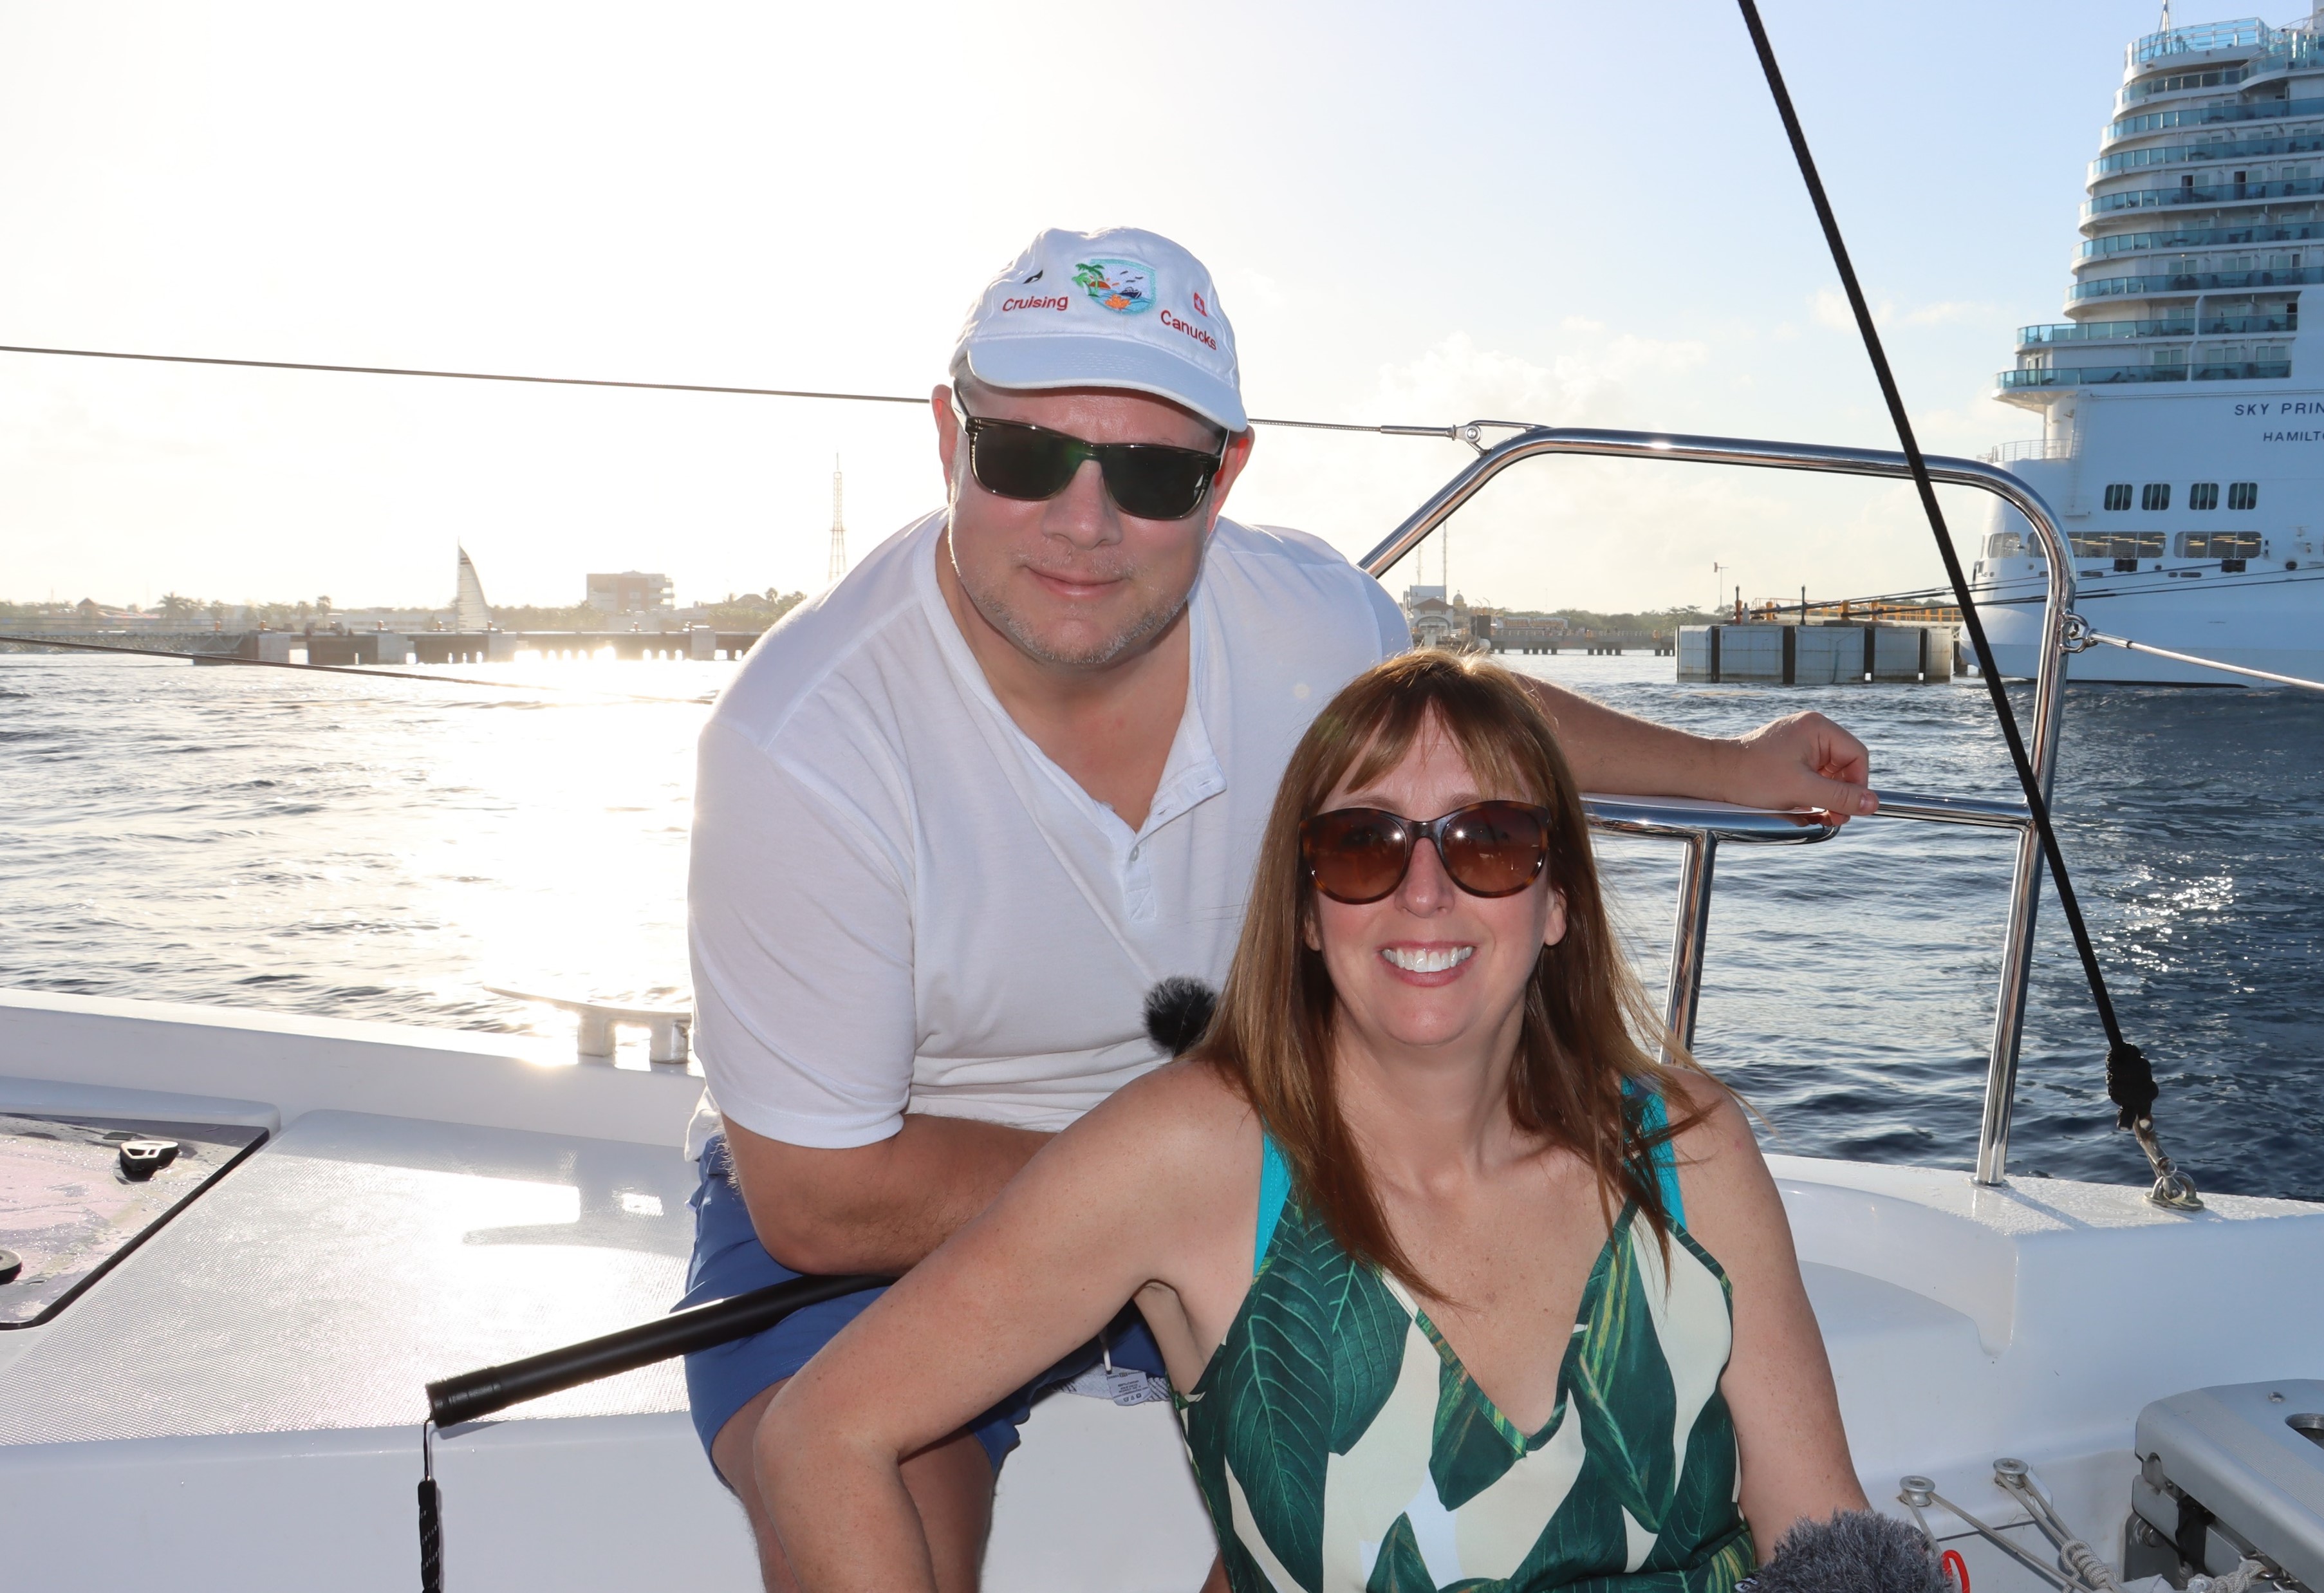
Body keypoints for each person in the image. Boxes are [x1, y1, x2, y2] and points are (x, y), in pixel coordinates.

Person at [683, 225, 1875, 1590]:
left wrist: (1733, 767)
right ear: (948, 435)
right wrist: (1185, 1192)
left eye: (1151, 472)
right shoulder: (803, 742)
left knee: (1360, 1492)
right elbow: (822, 1200)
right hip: (915, 1185)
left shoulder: (1303, 620)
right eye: (1025, 457)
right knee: (864, 1488)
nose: (1086, 519)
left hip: (1258, 1142)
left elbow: (1471, 731)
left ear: (1225, 475)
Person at [753, 650, 1873, 1590]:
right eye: (1363, 847)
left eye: (1485, 843)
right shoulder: (1199, 1159)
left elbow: (1823, 1535)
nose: (1423, 893)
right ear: (1303, 910)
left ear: (1558, 900)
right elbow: (822, 1435)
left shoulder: (1685, 1144)